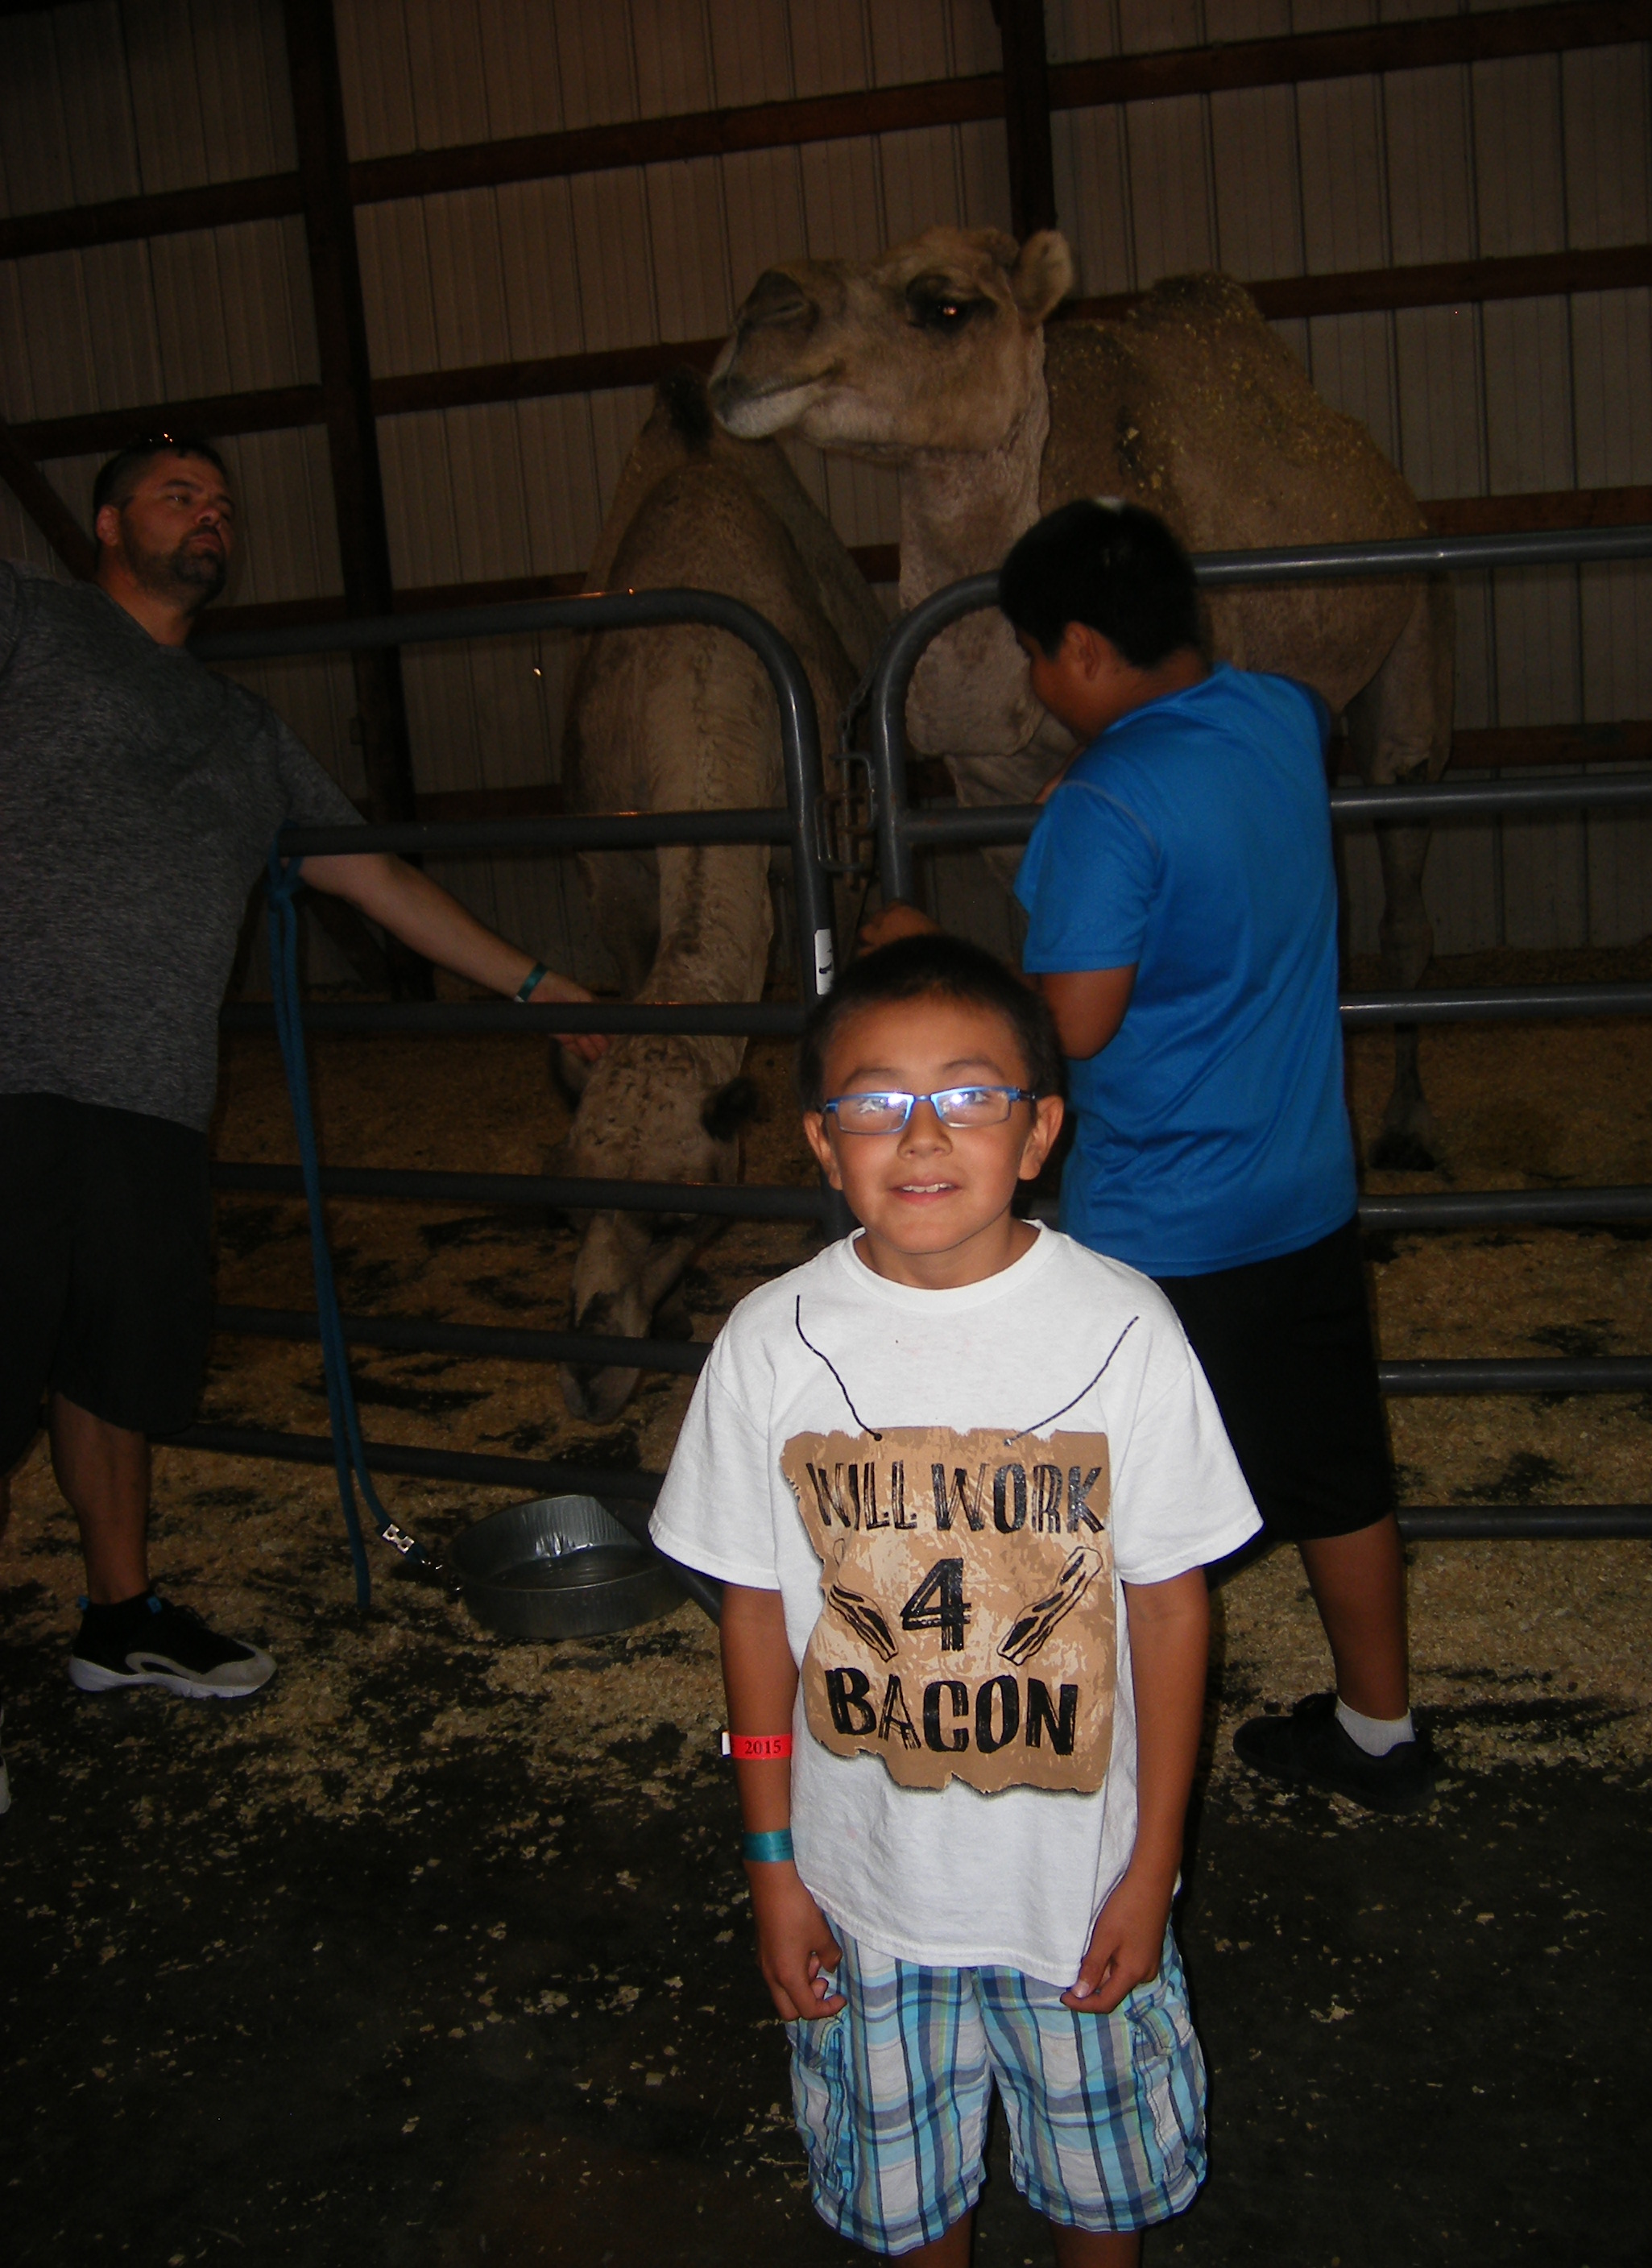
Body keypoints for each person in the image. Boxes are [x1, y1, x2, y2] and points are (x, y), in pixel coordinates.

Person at [651, 933, 1261, 2264]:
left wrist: (1155, 1871)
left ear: (1039, 1130)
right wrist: (771, 1865)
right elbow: (754, 1618)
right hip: (863, 1899)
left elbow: (1170, 1605)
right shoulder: (771, 1344)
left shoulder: (1125, 1329)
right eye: (872, 1101)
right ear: (822, 1143)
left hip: (1078, 1896)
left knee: (1101, 2203)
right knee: (908, 2209)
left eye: (971, 1094)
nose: (921, 1134)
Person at [0, 435, 607, 1703]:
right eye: (178, 496)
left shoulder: (242, 727)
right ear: (106, 526)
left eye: (222, 504)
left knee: (115, 1371)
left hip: (155, 1097)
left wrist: (536, 986)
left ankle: (120, 1619)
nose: (210, 517)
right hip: (17, 1076)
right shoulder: (33, 626)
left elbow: (373, 876)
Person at [992, 496, 1432, 1813]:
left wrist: (927, 950)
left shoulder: (1104, 805)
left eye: (1032, 654)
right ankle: (1379, 1732)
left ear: (1078, 649)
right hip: (1301, 1192)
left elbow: (1070, 1025)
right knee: (1337, 1469)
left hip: (1160, 1231)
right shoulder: (1286, 716)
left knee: (1123, 1511)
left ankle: (1112, 1779)